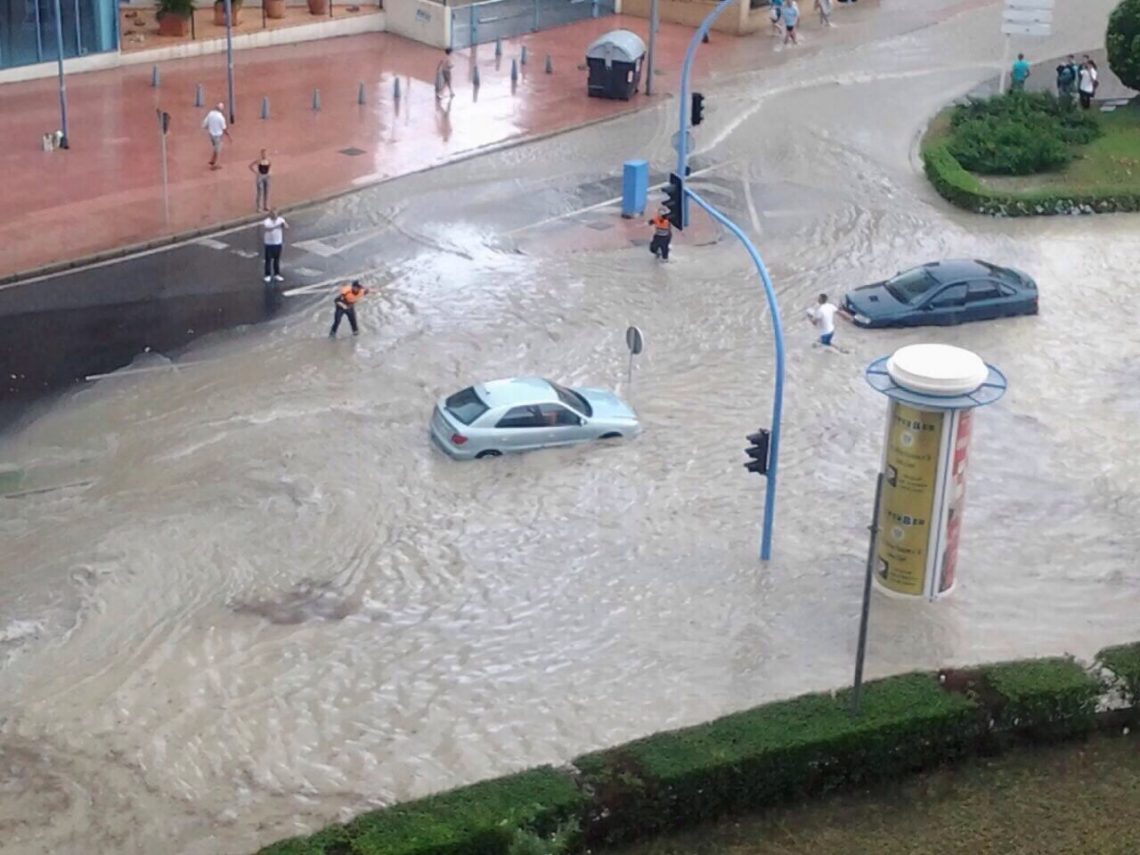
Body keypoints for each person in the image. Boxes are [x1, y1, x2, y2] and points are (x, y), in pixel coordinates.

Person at [201, 102, 231, 170]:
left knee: (215, 147)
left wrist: (206, 127)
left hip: (211, 134)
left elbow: (205, 123)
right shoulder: (221, 117)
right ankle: (213, 164)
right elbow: (224, 129)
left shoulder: (210, 114)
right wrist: (229, 136)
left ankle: (212, 161)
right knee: (217, 150)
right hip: (217, 136)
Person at [261, 209, 288, 283]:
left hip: (278, 242)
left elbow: (286, 226)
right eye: (273, 214)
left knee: (277, 259)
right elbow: (268, 228)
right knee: (268, 260)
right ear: (270, 215)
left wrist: (283, 224)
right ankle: (267, 275)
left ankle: (277, 274)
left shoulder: (281, 220)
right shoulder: (267, 221)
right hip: (269, 243)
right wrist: (276, 226)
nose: (275, 216)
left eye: (276, 214)